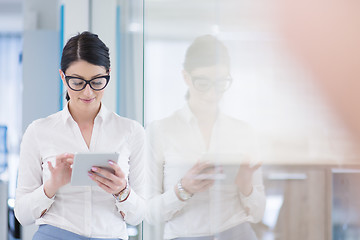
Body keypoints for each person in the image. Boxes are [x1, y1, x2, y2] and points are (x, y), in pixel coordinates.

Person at [14, 31, 146, 240]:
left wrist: (122, 190)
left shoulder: (131, 131)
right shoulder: (39, 131)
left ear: (108, 74)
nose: (87, 92)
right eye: (77, 82)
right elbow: (22, 214)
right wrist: (51, 186)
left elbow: (138, 215)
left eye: (97, 81)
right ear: (62, 77)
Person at [145, 35, 266, 240]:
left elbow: (258, 214)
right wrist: (183, 189)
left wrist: (246, 185)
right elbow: (149, 213)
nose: (212, 93)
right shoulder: (159, 131)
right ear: (186, 77)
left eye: (220, 83)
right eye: (203, 83)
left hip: (237, 233)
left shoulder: (243, 131)